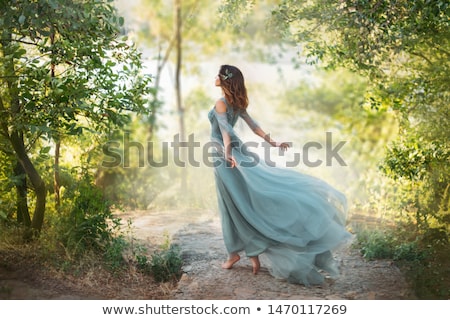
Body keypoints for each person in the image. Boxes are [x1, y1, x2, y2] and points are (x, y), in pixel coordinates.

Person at [208, 64, 351, 285]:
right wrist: (272, 142)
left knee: (233, 204)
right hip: (234, 155)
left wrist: (227, 155)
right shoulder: (235, 103)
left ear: (225, 79)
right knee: (242, 203)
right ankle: (246, 253)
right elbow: (254, 127)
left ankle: (237, 253)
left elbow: (226, 131)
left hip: (224, 156)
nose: (215, 77)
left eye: (219, 74)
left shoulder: (221, 103)